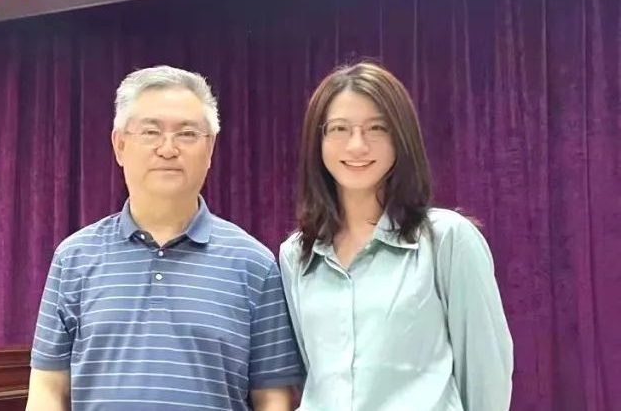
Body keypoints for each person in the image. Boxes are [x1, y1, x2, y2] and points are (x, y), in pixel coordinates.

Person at [26, 65, 304, 411]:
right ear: (120, 145)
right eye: (151, 132)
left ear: (210, 148)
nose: (168, 149)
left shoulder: (254, 264)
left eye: (187, 134)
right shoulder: (74, 258)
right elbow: (48, 389)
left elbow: (273, 398)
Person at [279, 62, 514, 411]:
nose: (357, 145)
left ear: (401, 137)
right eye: (340, 129)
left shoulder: (447, 239)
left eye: (377, 128)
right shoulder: (296, 255)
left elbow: (486, 375)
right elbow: (311, 373)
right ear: (319, 141)